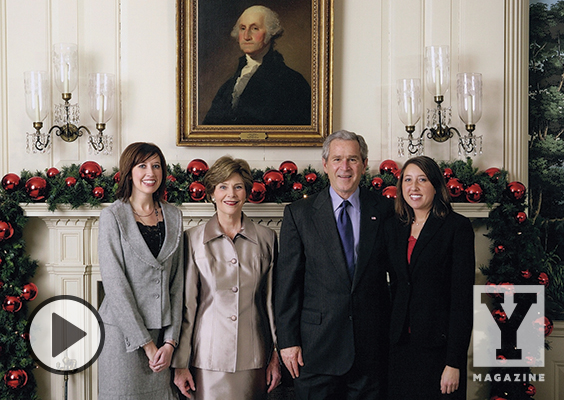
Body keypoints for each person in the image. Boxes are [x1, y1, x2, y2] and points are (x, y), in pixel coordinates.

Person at [275, 130, 392, 399]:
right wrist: (288, 342)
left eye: (353, 159)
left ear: (364, 164)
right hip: (315, 350)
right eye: (338, 159)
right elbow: (287, 284)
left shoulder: (385, 210)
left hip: (370, 349)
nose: (345, 167)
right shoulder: (299, 213)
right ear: (325, 164)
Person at [172, 156, 282, 399]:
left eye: (238, 187)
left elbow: (271, 302)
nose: (230, 194)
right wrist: (181, 363)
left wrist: (276, 354)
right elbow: (188, 306)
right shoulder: (193, 239)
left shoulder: (267, 238)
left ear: (246, 193)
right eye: (223, 186)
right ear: (211, 193)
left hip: (254, 355)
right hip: (208, 356)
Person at [97, 142, 184, 400]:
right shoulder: (112, 217)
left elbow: (178, 283)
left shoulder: (174, 215)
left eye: (156, 166)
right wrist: (147, 345)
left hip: (162, 336)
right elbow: (115, 285)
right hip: (122, 337)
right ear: (129, 171)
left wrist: (170, 343)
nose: (150, 172)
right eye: (142, 165)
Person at [384, 156, 475, 399]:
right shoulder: (393, 227)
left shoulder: (457, 227)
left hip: (439, 350)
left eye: (422, 180)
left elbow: (462, 300)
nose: (413, 187)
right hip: (399, 347)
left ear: (435, 186)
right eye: (408, 180)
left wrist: (454, 363)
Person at [202, 5, 311, 125]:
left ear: (270, 32)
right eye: (243, 28)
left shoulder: (292, 82)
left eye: (255, 28)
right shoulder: (228, 86)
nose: (246, 36)